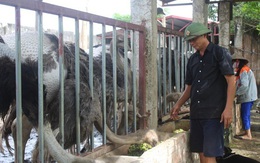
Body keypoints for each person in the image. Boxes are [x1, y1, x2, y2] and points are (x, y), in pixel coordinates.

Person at [170, 22, 236, 163]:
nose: (192, 43)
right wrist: (178, 104)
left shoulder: (219, 53)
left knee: (210, 154)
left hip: (214, 113)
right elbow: (189, 88)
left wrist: (228, 109)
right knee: (201, 154)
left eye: (194, 39)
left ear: (205, 35)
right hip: (196, 113)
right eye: (190, 41)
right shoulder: (192, 59)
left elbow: (231, 81)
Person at [232, 53, 258, 140]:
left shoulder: (243, 70)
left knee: (245, 115)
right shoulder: (243, 70)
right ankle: (247, 132)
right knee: (246, 115)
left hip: (247, 97)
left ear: (237, 61)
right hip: (250, 96)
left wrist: (236, 94)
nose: (233, 65)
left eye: (234, 62)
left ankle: (248, 135)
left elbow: (244, 85)